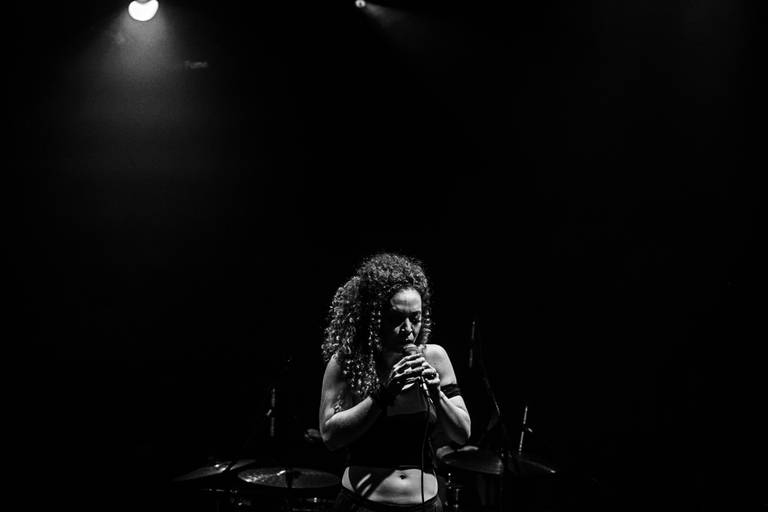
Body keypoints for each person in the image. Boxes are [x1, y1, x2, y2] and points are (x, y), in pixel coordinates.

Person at [319, 253, 471, 512]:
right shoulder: (348, 360)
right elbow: (330, 437)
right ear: (374, 317)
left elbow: (462, 433)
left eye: (416, 318)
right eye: (396, 319)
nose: (408, 329)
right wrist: (383, 394)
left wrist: (437, 395)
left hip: (424, 505)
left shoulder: (435, 357)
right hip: (362, 505)